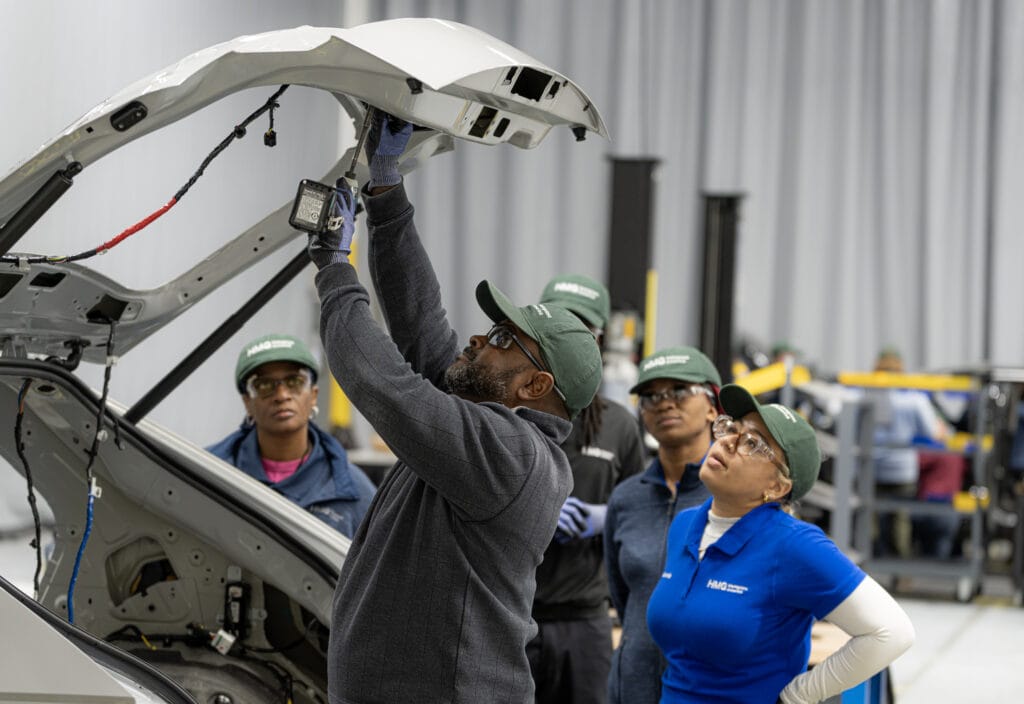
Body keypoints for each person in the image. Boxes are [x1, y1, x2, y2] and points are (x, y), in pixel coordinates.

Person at [307, 112, 604, 703]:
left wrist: (338, 274)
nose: (478, 339)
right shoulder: (489, 430)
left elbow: (386, 385)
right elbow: (421, 326)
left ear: (533, 385)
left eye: (500, 341)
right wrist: (386, 191)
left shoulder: (514, 457)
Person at [647, 384, 915, 703]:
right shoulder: (686, 524)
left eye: (752, 443)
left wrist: (798, 696)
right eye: (731, 427)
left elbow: (892, 632)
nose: (729, 441)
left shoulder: (792, 546)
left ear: (776, 486)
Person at [526, 274, 646, 704]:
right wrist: (531, 514)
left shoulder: (618, 426)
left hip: (586, 622)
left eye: (581, 331)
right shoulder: (506, 416)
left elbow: (643, 514)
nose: (568, 341)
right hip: (513, 619)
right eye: (557, 327)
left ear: (597, 341)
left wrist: (605, 518)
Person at [603, 346, 722, 704]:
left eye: (680, 392)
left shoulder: (736, 496)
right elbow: (624, 599)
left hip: (709, 690)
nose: (664, 403)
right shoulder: (626, 499)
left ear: (713, 408)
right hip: (633, 688)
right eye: (651, 396)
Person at [207, 334, 376, 539]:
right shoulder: (208, 473)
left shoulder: (353, 491)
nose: (282, 395)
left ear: (313, 395)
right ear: (247, 402)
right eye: (264, 385)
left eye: (294, 381)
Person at [871, 347, 965, 559]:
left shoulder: (865, 393)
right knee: (900, 523)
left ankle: (868, 572)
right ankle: (901, 574)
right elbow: (936, 433)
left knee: (870, 523)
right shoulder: (913, 399)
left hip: (872, 467)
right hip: (902, 471)